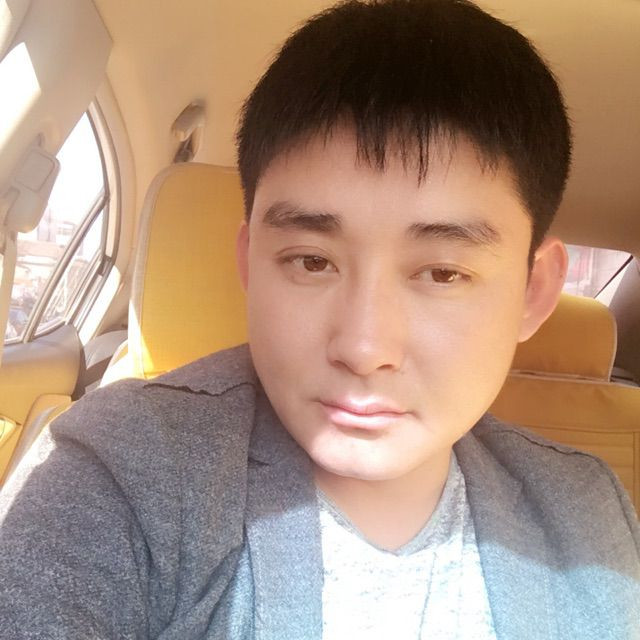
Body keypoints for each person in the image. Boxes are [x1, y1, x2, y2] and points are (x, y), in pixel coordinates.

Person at [1, 0, 638, 638]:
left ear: (533, 292)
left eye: (442, 274)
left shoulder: (588, 510)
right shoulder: (121, 472)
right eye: (312, 261)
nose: (363, 347)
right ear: (250, 264)